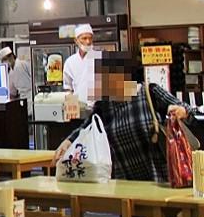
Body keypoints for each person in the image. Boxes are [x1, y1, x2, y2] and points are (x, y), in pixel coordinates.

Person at [52, 52, 196, 182]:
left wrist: (181, 111)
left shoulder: (148, 92)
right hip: (124, 185)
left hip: (160, 179)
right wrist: (68, 142)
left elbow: (190, 111)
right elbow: (84, 128)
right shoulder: (104, 106)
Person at [62, 23, 98, 104]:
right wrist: (71, 107)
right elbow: (68, 88)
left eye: (90, 38)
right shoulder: (70, 62)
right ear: (76, 41)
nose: (88, 42)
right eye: (84, 38)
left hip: (98, 108)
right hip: (79, 107)